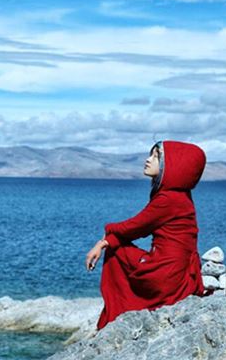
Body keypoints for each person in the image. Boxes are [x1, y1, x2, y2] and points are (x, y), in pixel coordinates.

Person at [85, 140, 208, 331]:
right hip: (176, 272)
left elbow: (134, 227)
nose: (148, 160)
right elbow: (138, 229)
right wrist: (107, 240)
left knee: (116, 251)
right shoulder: (179, 196)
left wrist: (104, 240)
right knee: (115, 244)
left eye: (156, 156)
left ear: (174, 166)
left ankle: (115, 315)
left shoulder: (169, 199)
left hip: (166, 275)